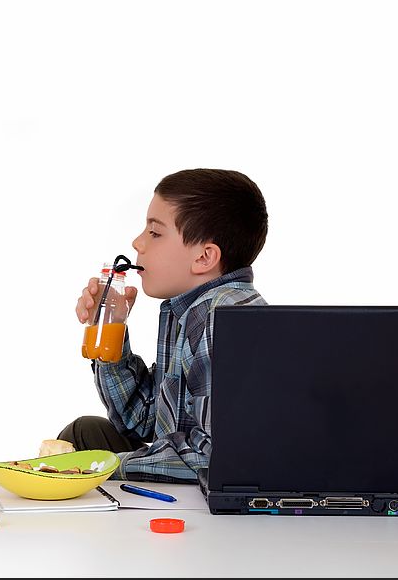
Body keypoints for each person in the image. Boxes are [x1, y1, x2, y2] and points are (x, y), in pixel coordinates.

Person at [60, 169, 268, 483]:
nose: (137, 242)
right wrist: (111, 329)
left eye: (155, 233)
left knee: (81, 457)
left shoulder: (221, 317)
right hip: (197, 468)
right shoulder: (186, 309)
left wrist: (107, 467)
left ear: (204, 257)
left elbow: (216, 457)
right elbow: (143, 421)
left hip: (217, 490)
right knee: (85, 431)